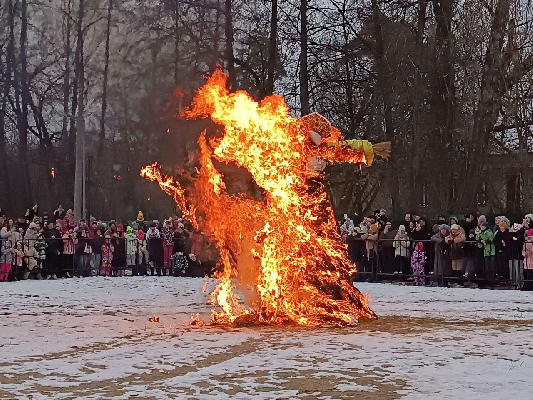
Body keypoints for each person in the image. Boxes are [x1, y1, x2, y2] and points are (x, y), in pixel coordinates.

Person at [509, 223, 525, 289]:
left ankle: (520, 283)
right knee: (513, 270)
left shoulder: (520, 234)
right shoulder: (511, 234)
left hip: (519, 255)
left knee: (519, 270)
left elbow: (519, 242)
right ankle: (513, 283)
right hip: (512, 254)